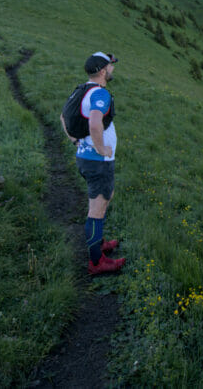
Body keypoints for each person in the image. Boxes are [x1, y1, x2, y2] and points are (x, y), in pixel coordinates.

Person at [73, 51, 125, 275]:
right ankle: (97, 262)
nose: (113, 70)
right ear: (103, 71)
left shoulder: (81, 90)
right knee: (97, 208)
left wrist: (75, 140)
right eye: (111, 66)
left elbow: (63, 117)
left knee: (100, 201)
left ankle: (99, 243)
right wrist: (101, 148)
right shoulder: (100, 95)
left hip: (85, 158)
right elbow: (95, 124)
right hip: (98, 161)